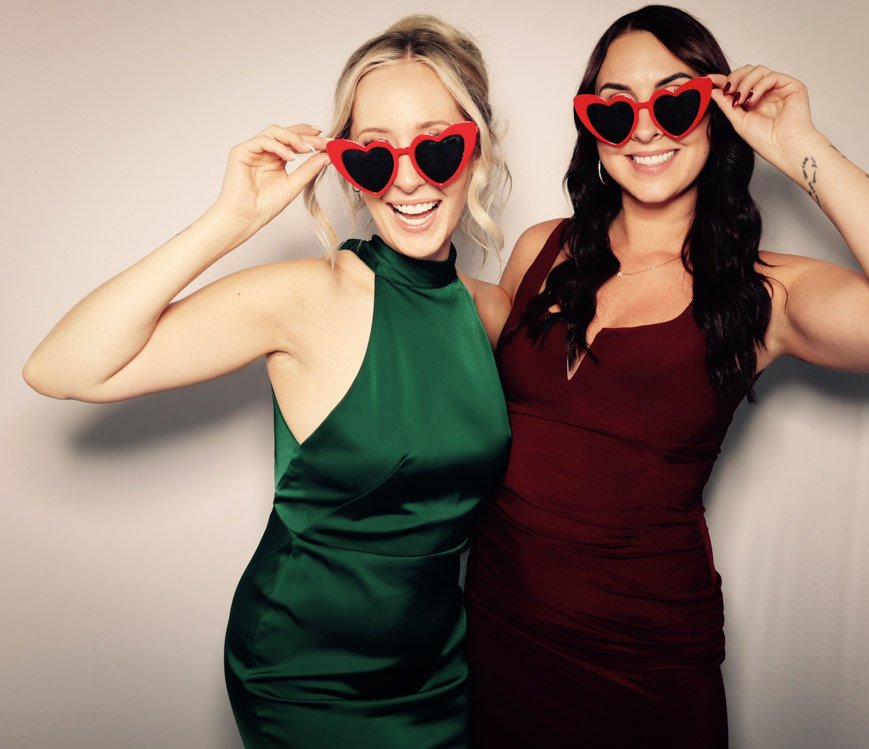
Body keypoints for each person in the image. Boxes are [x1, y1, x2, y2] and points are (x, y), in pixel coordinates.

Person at [464, 5, 869, 748]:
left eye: (675, 102)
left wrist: (801, 146)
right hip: (495, 630)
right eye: (616, 109)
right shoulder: (539, 250)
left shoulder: (760, 292)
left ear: (717, 113)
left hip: (641, 663)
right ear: (592, 127)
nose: (645, 128)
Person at [22, 15, 511, 749]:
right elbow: (59, 368)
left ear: (477, 151)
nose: (408, 178)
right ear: (343, 165)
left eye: (438, 147)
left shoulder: (493, 313)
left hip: (438, 668)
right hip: (303, 674)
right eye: (374, 157)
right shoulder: (304, 299)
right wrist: (231, 219)